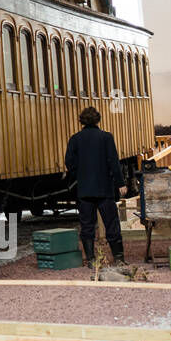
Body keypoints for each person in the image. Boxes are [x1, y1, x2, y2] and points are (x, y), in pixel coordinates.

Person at [64, 106, 128, 265]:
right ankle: (119, 258)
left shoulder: (75, 139)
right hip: (104, 189)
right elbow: (114, 163)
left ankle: (91, 259)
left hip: (84, 190)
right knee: (111, 224)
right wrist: (120, 183)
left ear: (81, 121)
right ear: (98, 120)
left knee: (87, 226)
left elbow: (69, 162)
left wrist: (79, 174)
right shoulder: (106, 137)